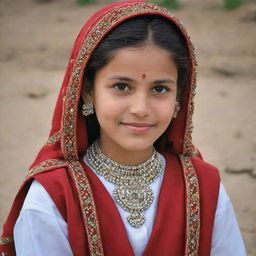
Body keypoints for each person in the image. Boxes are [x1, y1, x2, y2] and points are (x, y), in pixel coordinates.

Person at [0, 1, 246, 255]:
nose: (140, 108)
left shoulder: (204, 189)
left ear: (179, 99)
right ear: (87, 92)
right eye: (121, 86)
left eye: (159, 89)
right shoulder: (53, 197)